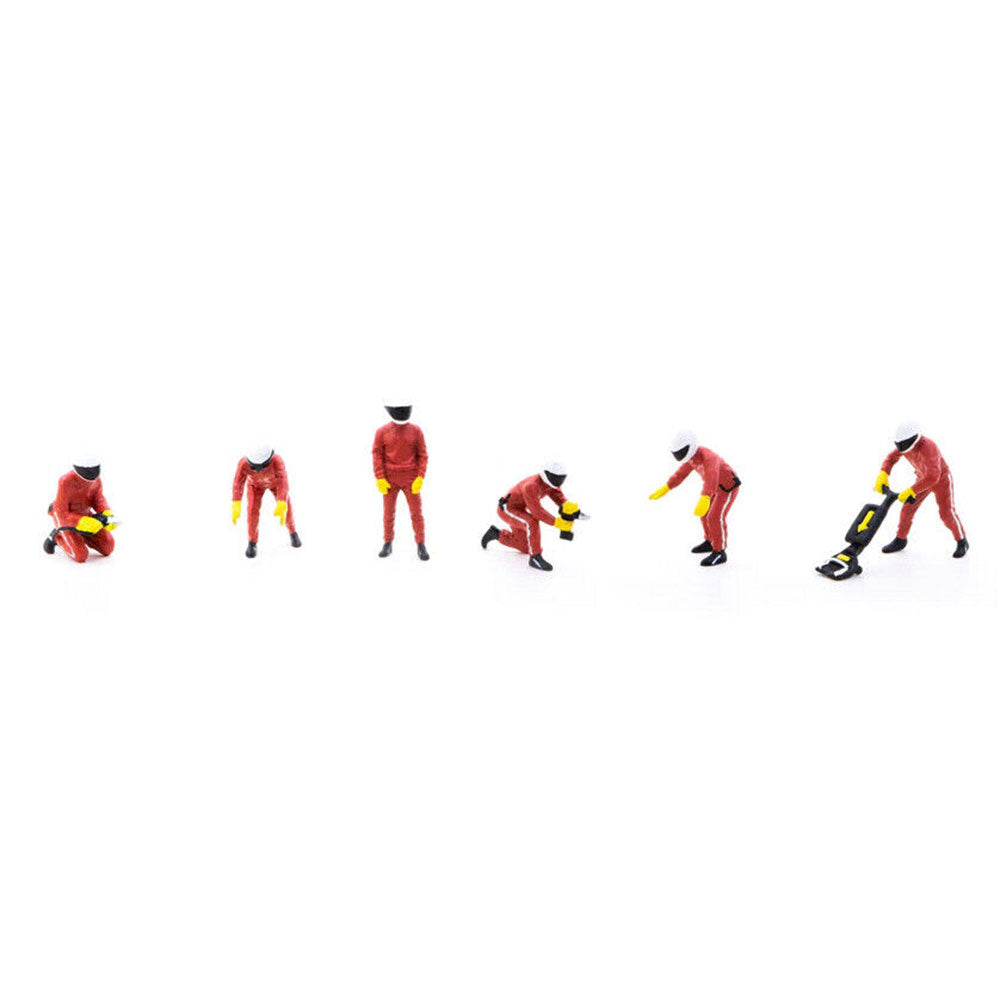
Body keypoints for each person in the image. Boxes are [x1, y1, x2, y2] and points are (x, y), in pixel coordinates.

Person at [876, 421, 968, 557]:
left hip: (941, 480)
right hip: (921, 479)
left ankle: (962, 541)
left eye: (904, 444)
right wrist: (883, 473)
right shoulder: (905, 446)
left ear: (915, 438)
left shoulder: (929, 447)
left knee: (946, 514)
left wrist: (911, 490)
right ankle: (901, 539)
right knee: (907, 509)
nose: (902, 448)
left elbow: (933, 476)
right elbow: (891, 458)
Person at [648, 430, 740, 566]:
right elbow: (681, 474)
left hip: (727, 487)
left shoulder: (709, 457)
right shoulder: (692, 458)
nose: (679, 455)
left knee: (715, 517)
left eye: (681, 452)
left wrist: (705, 496)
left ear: (690, 446)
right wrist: (667, 487)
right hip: (714, 488)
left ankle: (720, 551)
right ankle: (710, 541)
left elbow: (711, 477)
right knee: (704, 514)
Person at [481, 462, 579, 571]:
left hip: (520, 509)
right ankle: (535, 557)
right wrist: (557, 522)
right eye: (556, 477)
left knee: (525, 547)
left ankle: (496, 534)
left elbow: (557, 495)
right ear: (546, 474)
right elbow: (537, 511)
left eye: (561, 478)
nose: (558, 480)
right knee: (531, 522)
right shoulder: (531, 486)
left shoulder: (549, 484)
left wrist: (569, 508)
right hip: (507, 509)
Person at [373, 402, 429, 560]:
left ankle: (421, 544)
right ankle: (387, 542)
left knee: (416, 513)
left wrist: (420, 477)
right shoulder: (382, 432)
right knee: (388, 513)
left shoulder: (416, 431)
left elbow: (422, 455)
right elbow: (377, 454)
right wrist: (380, 477)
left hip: (411, 478)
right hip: (389, 479)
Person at [232, 447, 301, 558]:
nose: (259, 471)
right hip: (255, 486)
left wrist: (281, 501)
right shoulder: (243, 464)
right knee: (252, 512)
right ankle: (252, 542)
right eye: (254, 467)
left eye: (263, 466)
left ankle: (293, 532)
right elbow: (237, 483)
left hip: (275, 485)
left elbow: (283, 481)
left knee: (286, 509)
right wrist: (236, 502)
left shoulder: (277, 461)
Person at [46, 458, 118, 563]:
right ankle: (58, 537)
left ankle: (81, 536)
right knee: (80, 555)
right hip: (67, 520)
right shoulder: (65, 481)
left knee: (108, 547)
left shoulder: (96, 480)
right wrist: (81, 522)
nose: (91, 475)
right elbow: (61, 512)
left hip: (86, 515)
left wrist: (106, 513)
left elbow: (98, 499)